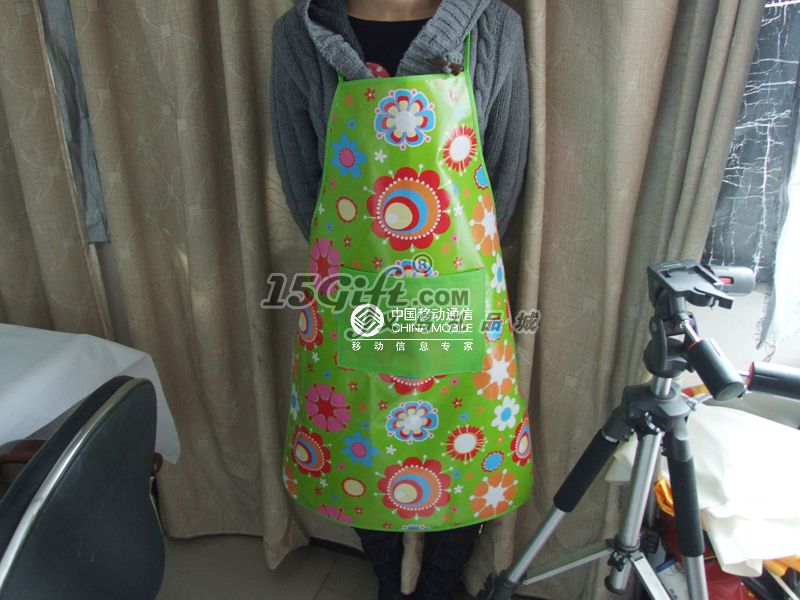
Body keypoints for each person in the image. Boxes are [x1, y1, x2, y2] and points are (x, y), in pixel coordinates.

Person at [271, 1, 532, 599]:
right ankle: (388, 579)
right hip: (355, 285)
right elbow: (301, 178)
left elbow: (504, 174)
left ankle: (440, 583)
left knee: (465, 439)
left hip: (459, 280)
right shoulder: (299, 35)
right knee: (360, 438)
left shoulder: (494, 28)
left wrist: (451, 261)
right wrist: (361, 262)